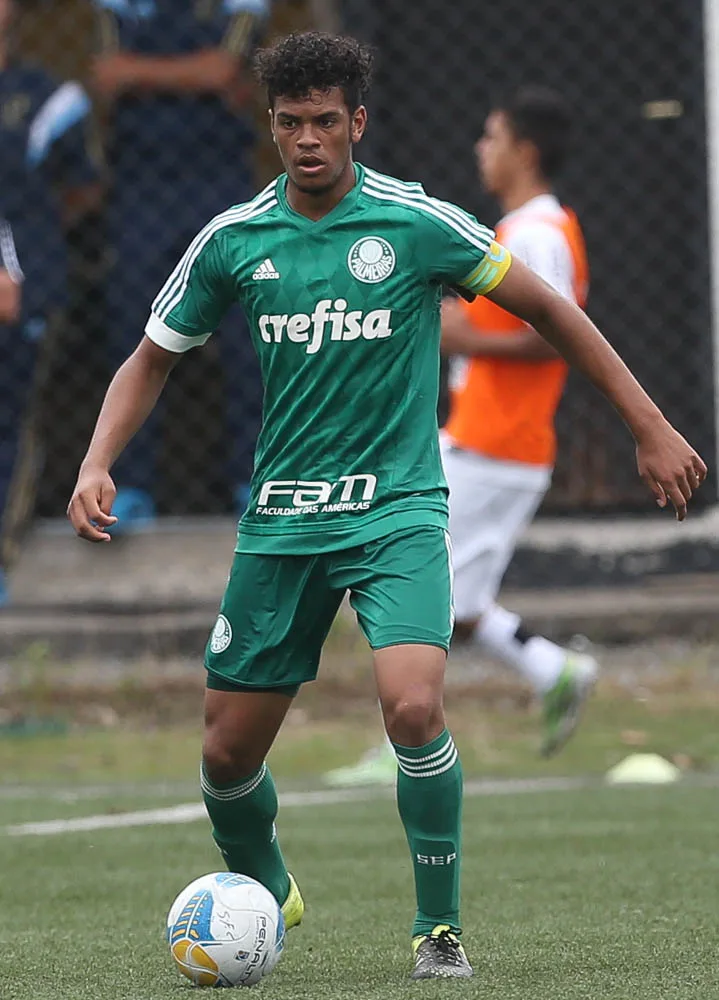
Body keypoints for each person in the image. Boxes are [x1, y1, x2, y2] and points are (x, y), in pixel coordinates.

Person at [67, 31, 706, 981]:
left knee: (412, 706)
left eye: (326, 121)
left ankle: (435, 930)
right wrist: (95, 462)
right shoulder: (235, 239)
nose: (309, 140)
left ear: (356, 122)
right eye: (290, 124)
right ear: (271, 128)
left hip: (396, 509)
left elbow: (551, 311)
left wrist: (648, 425)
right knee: (224, 758)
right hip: (283, 523)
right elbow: (150, 359)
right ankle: (267, 887)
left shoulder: (416, 224)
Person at [324, 86, 596, 787]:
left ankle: (403, 745)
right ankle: (552, 668)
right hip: (482, 439)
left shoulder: (535, 232)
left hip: (495, 443)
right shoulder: (522, 228)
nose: (481, 149)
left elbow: (551, 332)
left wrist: (457, 331)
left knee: (400, 589)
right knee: (454, 601)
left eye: (491, 135)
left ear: (523, 151)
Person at [91, 0, 270, 527]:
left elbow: (226, 70)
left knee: (249, 333)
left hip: (220, 183)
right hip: (139, 186)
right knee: (136, 333)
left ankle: (252, 479)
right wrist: (200, 77)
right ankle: (129, 487)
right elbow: (105, 76)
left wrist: (139, 76)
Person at [0, 0, 98, 605]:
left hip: (25, 288)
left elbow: (81, 190)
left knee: (12, 422)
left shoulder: (50, 98)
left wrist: (20, 256)